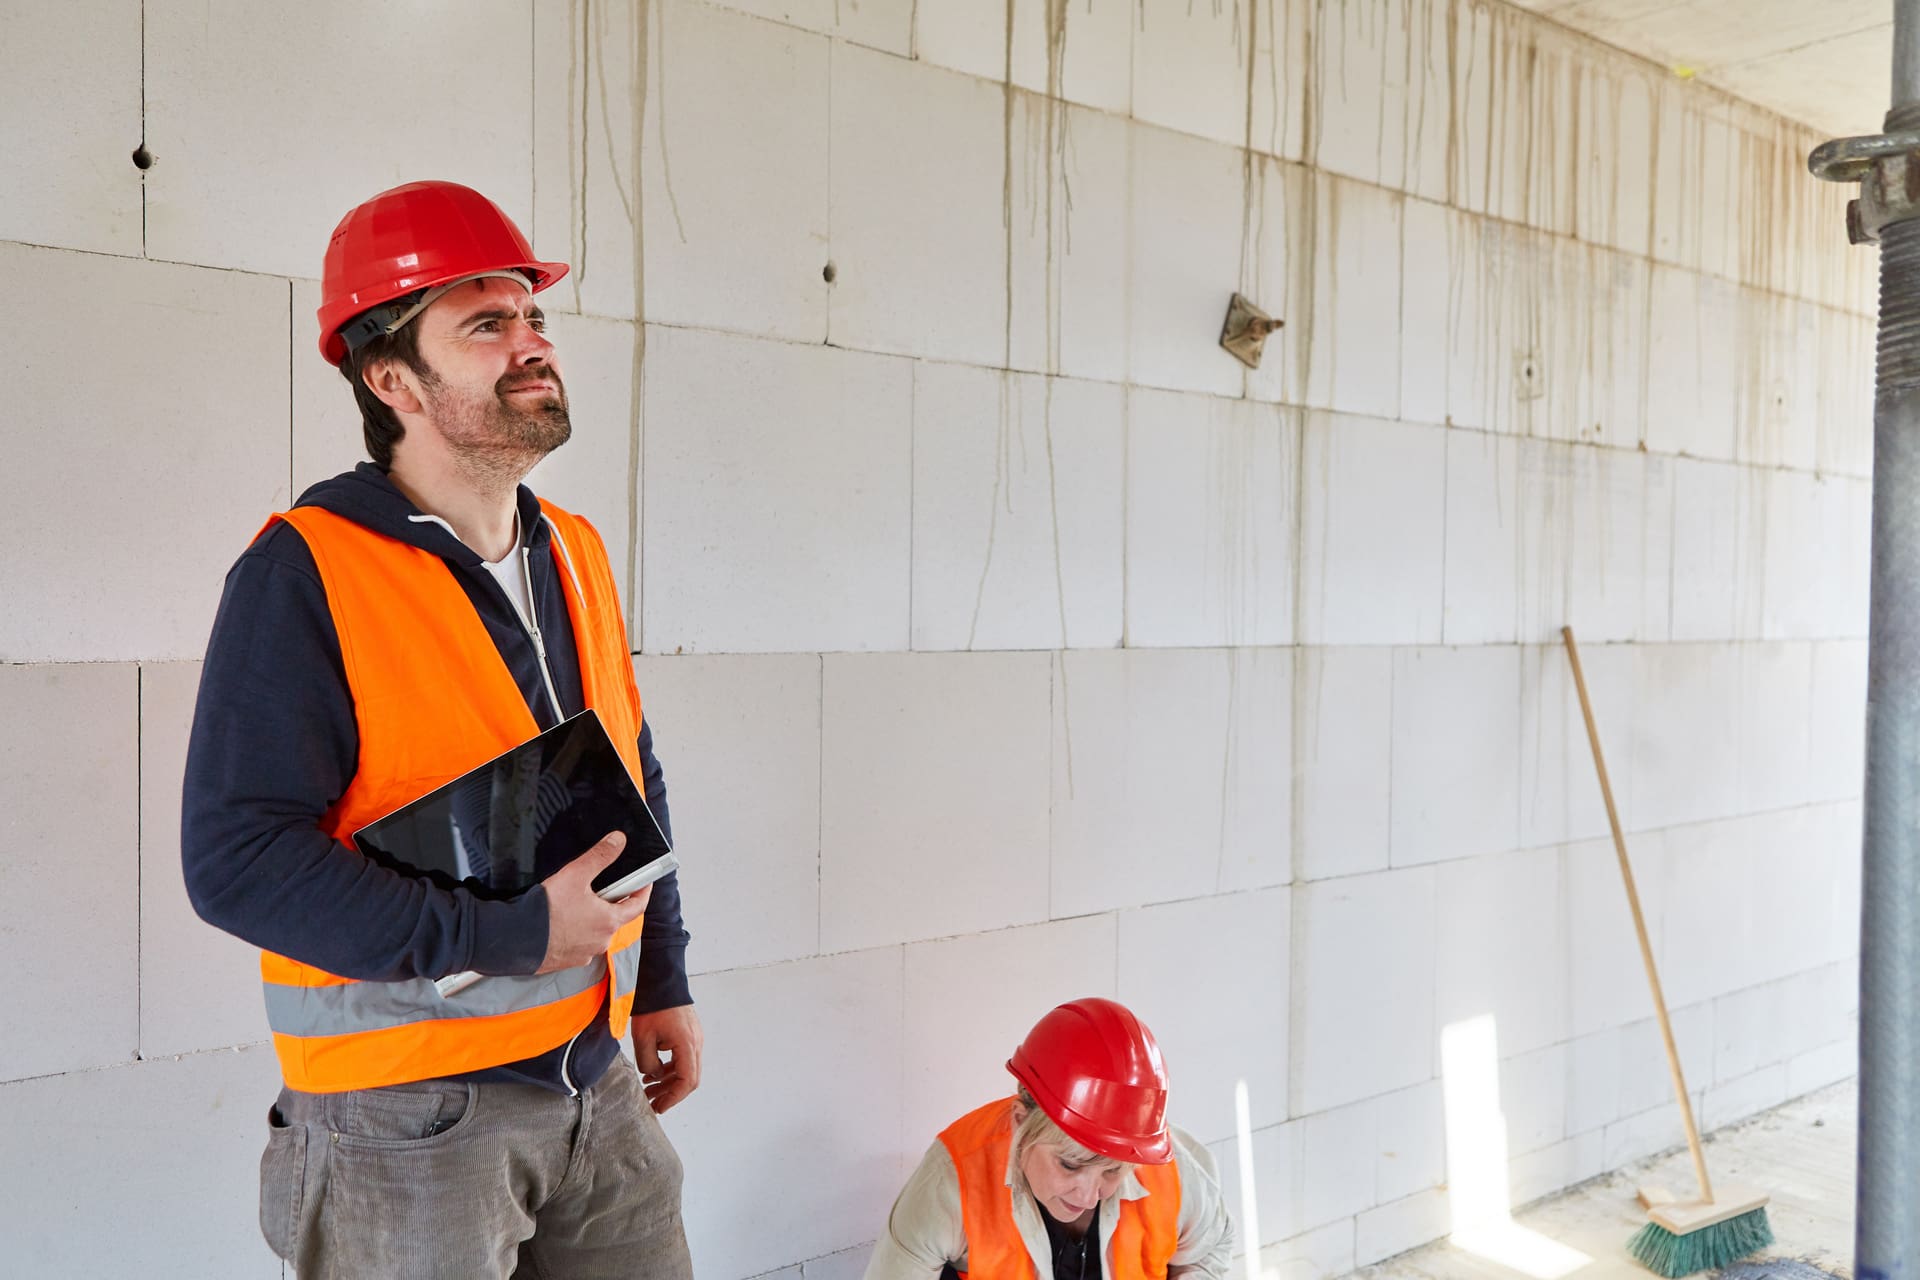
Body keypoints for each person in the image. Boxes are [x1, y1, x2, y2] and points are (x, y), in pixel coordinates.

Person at [181, 180, 699, 1278]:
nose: (531, 343)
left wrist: (662, 972)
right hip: (404, 1122)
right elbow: (236, 863)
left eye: (533, 316)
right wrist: (505, 938)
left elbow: (627, 775)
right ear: (390, 378)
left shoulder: (575, 549)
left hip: (593, 1082)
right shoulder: (305, 572)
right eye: (485, 323)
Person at [866, 998, 1234, 1279]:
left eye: (1113, 1170)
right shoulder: (952, 1178)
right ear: (1021, 1120)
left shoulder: (1167, 1167)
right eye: (1070, 1164)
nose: (1089, 1196)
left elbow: (1212, 1248)